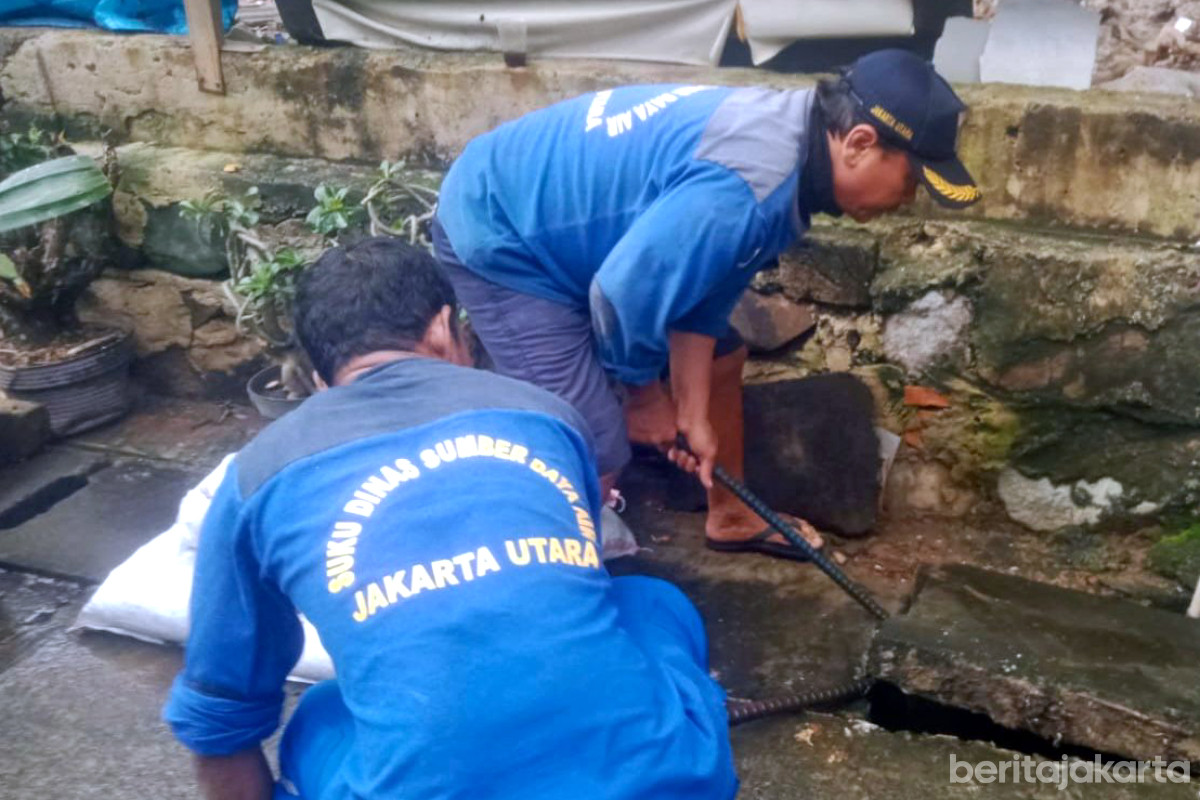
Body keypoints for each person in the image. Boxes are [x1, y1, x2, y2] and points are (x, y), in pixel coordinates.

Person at [162, 237, 737, 800]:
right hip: (664, 782)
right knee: (653, 606)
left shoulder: (257, 474)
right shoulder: (544, 414)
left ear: (320, 383)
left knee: (317, 716)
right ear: (445, 329)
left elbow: (219, 718)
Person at [433, 49, 980, 560]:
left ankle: (733, 515)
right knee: (593, 443)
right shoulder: (748, 186)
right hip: (504, 233)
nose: (907, 201)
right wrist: (645, 398)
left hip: (583, 237)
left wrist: (690, 414)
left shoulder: (793, 150)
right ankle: (548, 579)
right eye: (911, 181)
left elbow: (702, 293)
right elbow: (622, 294)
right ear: (859, 143)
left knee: (723, 357)